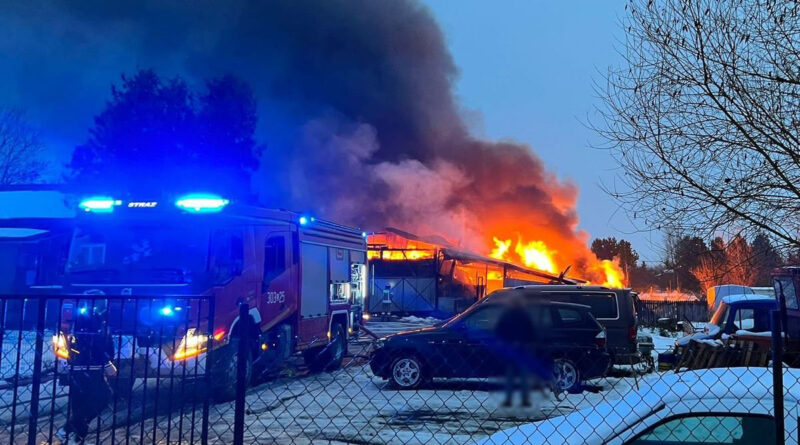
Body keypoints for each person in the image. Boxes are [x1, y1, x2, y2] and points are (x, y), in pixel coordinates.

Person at [57, 301, 116, 443]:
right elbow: (95, 343)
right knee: (102, 397)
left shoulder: (88, 318)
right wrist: (106, 362)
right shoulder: (92, 319)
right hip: (89, 366)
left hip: (81, 365)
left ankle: (76, 437)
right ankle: (69, 429)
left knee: (80, 403)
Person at [494, 299, 536, 407]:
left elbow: (500, 331)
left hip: (511, 349)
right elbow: (530, 332)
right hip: (522, 349)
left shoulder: (507, 316)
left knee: (510, 376)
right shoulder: (524, 316)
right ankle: (524, 400)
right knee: (523, 376)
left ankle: (509, 399)